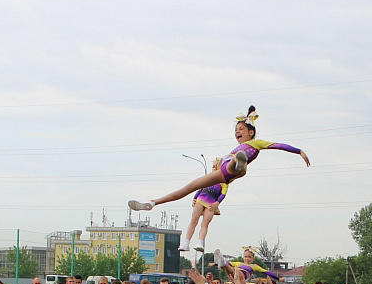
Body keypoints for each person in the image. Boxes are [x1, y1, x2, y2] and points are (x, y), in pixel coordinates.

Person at [130, 106, 311, 248]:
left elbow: (278, 145)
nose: (237, 132)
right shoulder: (234, 149)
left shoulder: (256, 142)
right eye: (235, 130)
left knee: (234, 163)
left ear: (251, 132)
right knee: (187, 188)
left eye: (241, 129)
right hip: (222, 173)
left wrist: (299, 151)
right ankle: (153, 203)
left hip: (236, 169)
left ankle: (238, 162)